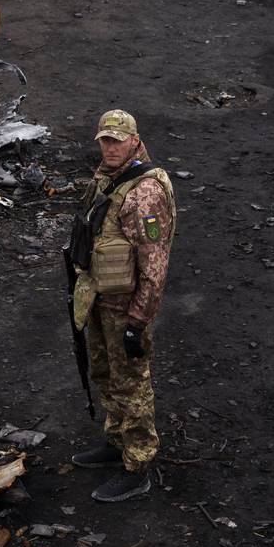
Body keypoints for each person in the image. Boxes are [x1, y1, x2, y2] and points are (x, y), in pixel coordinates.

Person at [64, 110, 177, 503]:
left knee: (132, 384)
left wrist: (137, 321)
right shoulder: (105, 179)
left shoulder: (145, 193)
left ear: (135, 140)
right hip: (98, 298)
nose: (110, 147)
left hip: (124, 307)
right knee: (106, 374)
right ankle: (116, 442)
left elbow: (154, 265)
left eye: (117, 140)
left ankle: (138, 464)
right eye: (104, 140)